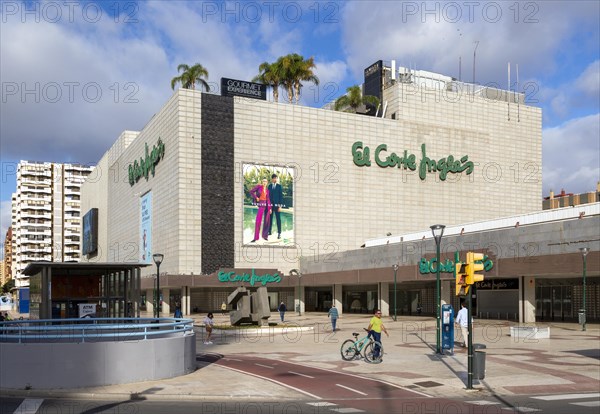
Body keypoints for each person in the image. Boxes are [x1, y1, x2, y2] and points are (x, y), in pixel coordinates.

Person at [268, 173, 284, 239]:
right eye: (274, 178)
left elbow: (281, 197)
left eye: (276, 178)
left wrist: (280, 206)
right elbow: (268, 197)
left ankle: (279, 233)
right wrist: (269, 207)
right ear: (272, 179)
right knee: (270, 219)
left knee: (278, 220)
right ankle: (269, 231)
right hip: (271, 206)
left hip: (277, 206)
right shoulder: (269, 186)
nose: (275, 179)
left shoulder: (279, 186)